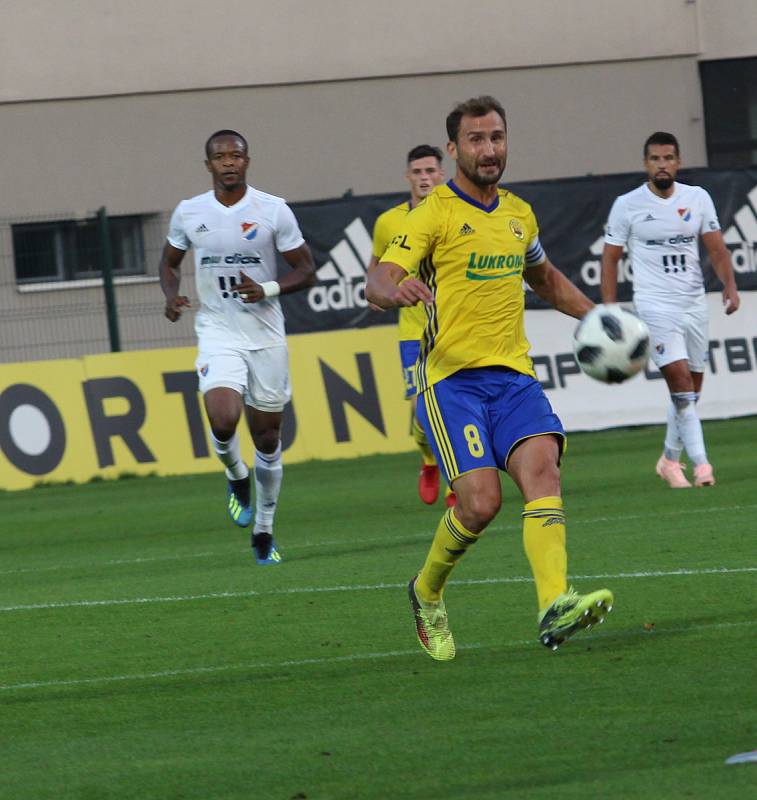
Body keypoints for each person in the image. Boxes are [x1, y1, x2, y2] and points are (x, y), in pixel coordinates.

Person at [366, 96, 612, 661]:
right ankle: (426, 589)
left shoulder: (519, 214)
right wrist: (392, 289)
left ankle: (554, 604)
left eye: (497, 137)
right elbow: (380, 277)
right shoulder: (432, 214)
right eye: (476, 140)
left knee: (543, 467)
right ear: (453, 149)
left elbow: (544, 276)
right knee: (480, 504)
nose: (489, 149)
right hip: (451, 382)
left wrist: (596, 316)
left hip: (515, 377)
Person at [159, 129, 316, 564]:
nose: (229, 162)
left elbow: (307, 270)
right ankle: (235, 475)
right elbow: (169, 264)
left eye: (236, 155)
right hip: (217, 332)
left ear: (248, 161)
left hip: (265, 335)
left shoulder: (272, 210)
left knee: (267, 436)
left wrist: (266, 288)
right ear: (207, 165)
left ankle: (264, 529)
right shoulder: (190, 212)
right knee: (224, 419)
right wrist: (170, 296)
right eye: (220, 157)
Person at [601, 132, 740, 489]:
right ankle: (702, 465)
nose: (662, 165)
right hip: (654, 305)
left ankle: (669, 459)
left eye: (668, 158)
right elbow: (610, 259)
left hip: (693, 303)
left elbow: (717, 250)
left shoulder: (698, 198)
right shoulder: (627, 205)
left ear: (678, 162)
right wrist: (610, 309)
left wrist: (729, 285)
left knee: (691, 390)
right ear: (645, 164)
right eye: (655, 159)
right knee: (679, 382)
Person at [368, 145, 454, 507]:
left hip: (451, 328)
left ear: (441, 175)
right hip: (412, 332)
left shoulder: (455, 214)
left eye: (430, 171)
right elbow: (376, 269)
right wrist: (383, 292)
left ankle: (456, 483)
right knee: (422, 414)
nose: (424, 178)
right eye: (417, 172)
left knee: (450, 408)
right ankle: (429, 459)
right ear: (408, 176)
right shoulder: (389, 222)